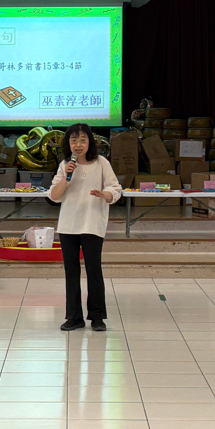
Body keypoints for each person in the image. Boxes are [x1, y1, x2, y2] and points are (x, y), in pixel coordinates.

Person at [49, 124, 122, 332]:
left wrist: (105, 194)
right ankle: (74, 317)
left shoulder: (101, 163)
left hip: (92, 223)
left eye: (83, 140)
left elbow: (115, 188)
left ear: (90, 142)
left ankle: (97, 317)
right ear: (68, 144)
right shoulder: (65, 165)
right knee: (71, 271)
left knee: (93, 270)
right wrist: (66, 177)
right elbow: (54, 196)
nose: (78, 144)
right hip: (68, 225)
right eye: (74, 140)